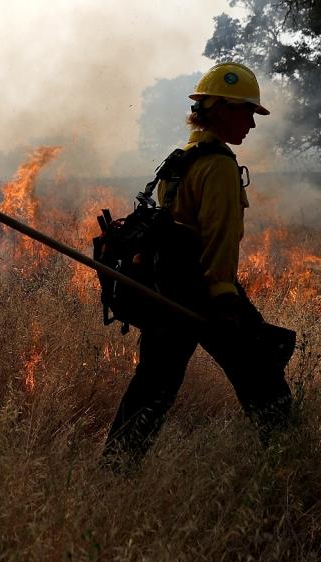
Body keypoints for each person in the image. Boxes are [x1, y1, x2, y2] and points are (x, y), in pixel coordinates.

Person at [102, 62, 292, 468]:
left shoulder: (183, 157)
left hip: (165, 291)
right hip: (205, 293)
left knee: (153, 387)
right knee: (265, 382)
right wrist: (225, 299)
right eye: (246, 112)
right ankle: (289, 466)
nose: (252, 125)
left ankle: (114, 467)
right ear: (221, 109)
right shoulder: (219, 165)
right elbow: (220, 238)